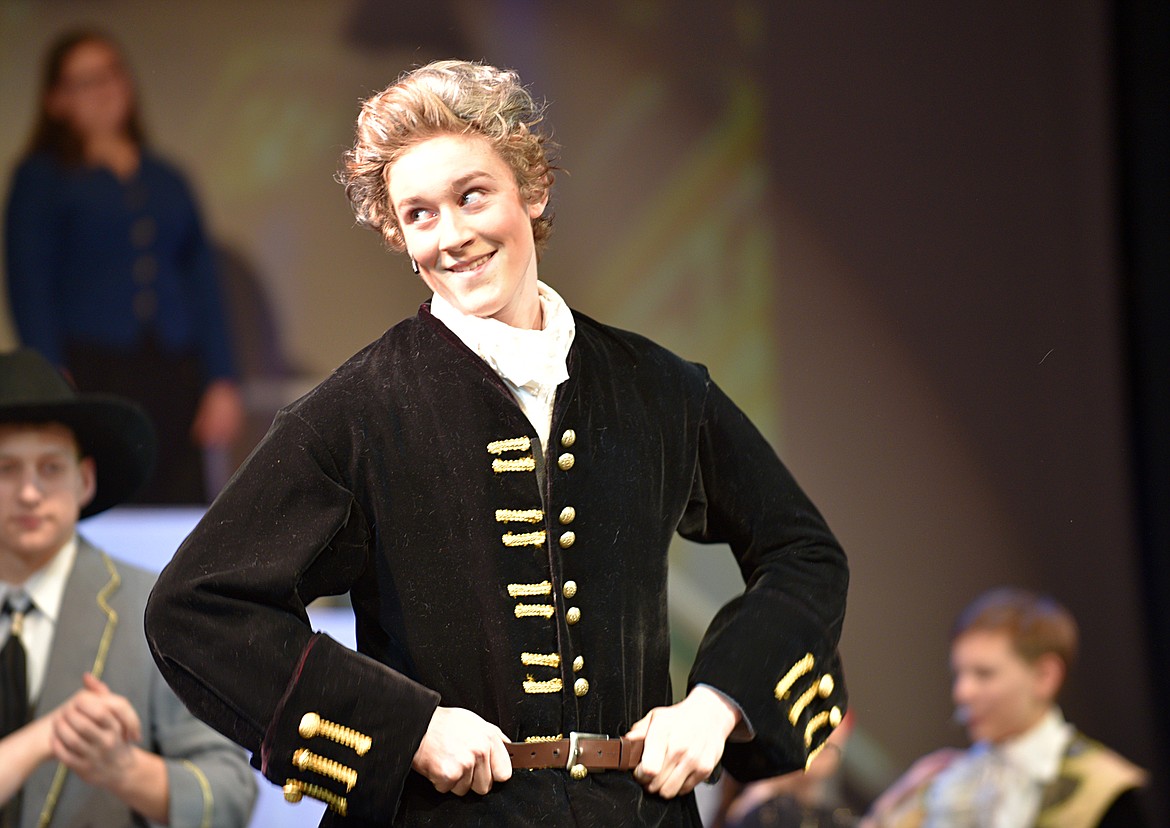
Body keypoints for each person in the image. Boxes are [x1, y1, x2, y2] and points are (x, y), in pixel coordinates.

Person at [144, 59, 849, 827]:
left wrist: (715, 707)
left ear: (532, 189)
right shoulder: (356, 411)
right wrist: (406, 727)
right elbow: (195, 606)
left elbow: (803, 555)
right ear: (397, 236)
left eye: (470, 195)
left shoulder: (660, 388)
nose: (451, 235)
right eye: (418, 214)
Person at [0, 348, 257, 827]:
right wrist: (42, 738)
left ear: (85, 480)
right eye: (6, 469)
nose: (29, 492)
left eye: (50, 468)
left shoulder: (157, 611)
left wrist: (125, 769)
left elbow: (229, 796)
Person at [4, 29, 244, 504]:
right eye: (84, 80)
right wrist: (52, 375)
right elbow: (30, 282)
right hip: (93, 370)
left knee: (181, 508)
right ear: (56, 101)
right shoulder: (43, 178)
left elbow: (203, 282)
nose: (103, 89)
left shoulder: (166, 178)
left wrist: (222, 378)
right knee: (106, 496)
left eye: (111, 73)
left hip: (175, 370)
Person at [861, 587, 1148, 828]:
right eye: (958, 674)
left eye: (984, 674)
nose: (961, 693)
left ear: (1044, 677)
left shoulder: (1104, 788)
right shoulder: (940, 783)